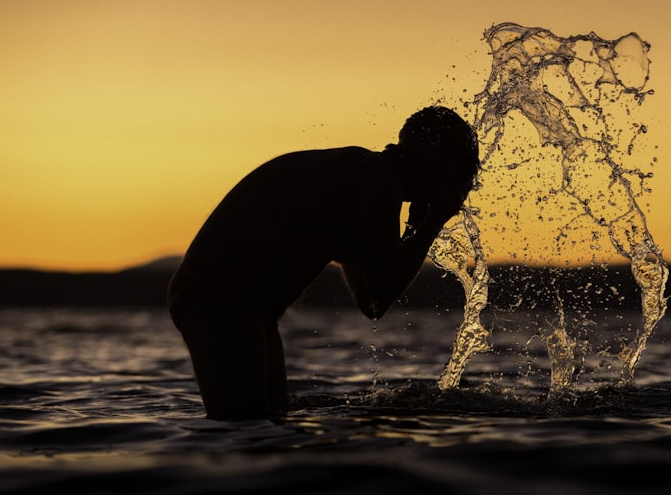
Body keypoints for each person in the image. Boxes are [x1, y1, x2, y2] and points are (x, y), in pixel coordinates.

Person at [168, 106, 479, 420]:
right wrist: (433, 221)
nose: (460, 195)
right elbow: (383, 294)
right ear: (440, 164)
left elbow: (370, 302)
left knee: (268, 427)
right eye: (461, 181)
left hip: (243, 308)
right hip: (222, 301)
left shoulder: (365, 178)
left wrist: (416, 228)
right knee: (244, 432)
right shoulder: (375, 181)